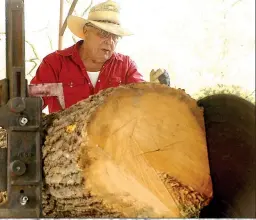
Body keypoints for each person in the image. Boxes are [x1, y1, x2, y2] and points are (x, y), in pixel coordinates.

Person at [30, 0, 170, 113]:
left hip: (114, 145)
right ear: (86, 31)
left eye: (115, 36)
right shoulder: (55, 63)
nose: (109, 42)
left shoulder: (125, 66)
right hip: (66, 144)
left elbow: (141, 103)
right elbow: (33, 104)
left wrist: (156, 90)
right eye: (103, 34)